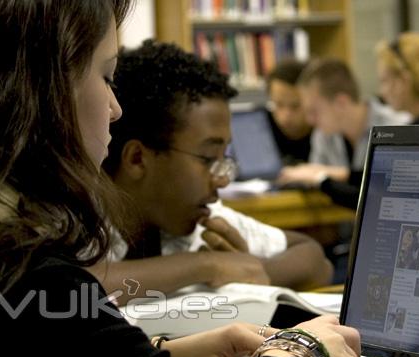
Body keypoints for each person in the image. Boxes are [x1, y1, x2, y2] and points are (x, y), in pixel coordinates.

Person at [0, 1, 362, 357]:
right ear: (46, 93)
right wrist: (297, 347)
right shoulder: (19, 269)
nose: (115, 109)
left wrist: (167, 348)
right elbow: (76, 298)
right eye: (106, 77)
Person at [92, 41, 333, 306]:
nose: (222, 179)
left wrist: (248, 269)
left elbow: (315, 259)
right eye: (207, 159)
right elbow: (73, 286)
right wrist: (207, 265)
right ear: (137, 159)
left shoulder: (198, 220)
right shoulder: (76, 215)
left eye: (223, 159)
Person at [277, 58, 409, 209]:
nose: (310, 120)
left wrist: (322, 176)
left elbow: (386, 197)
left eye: (314, 111)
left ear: (341, 103)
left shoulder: (399, 128)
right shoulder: (322, 134)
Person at [266, 58, 313, 164]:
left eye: (295, 106)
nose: (285, 116)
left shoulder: (326, 132)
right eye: (278, 104)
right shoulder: (261, 127)